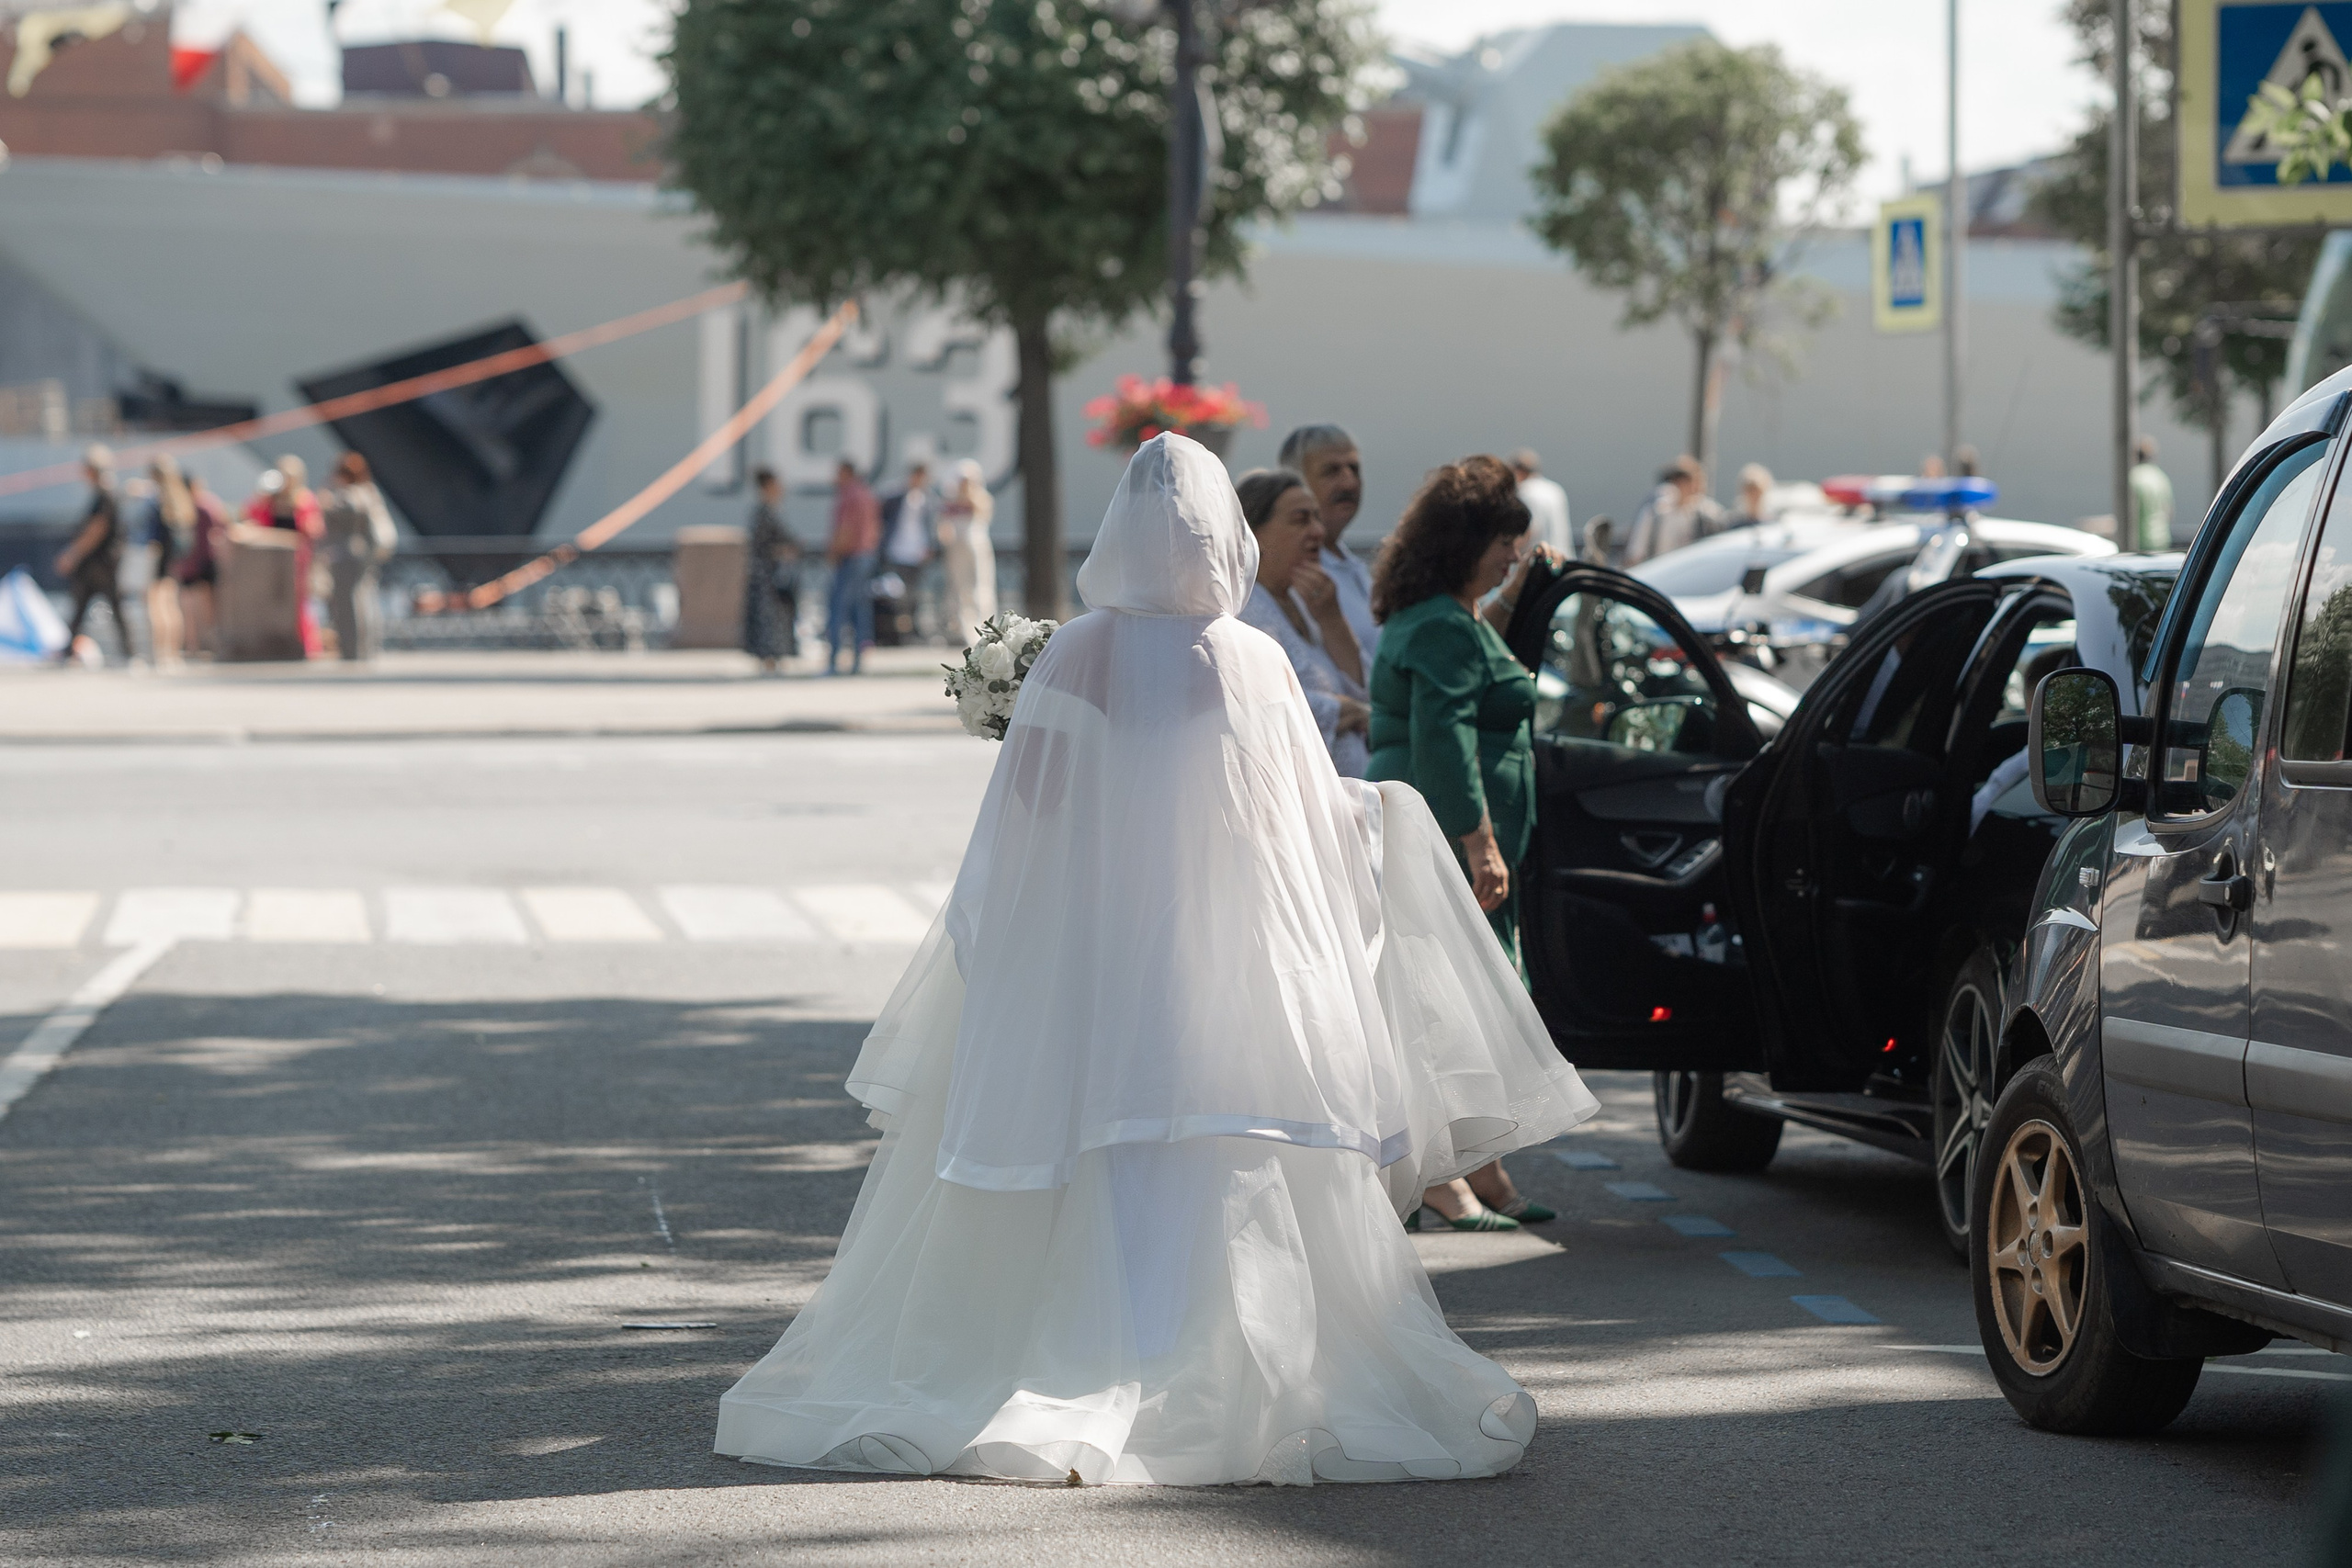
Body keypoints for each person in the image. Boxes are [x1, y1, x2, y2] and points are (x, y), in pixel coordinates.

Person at [714, 432, 1597, 1484]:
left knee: (1091, 1127)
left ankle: (1072, 1344)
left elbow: (1020, 827)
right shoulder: (1252, 657)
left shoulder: (1079, 652)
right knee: (1217, 1135)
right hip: (1225, 955)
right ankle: (1222, 1358)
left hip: (1094, 954)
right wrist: (1381, 818)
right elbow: (1304, 827)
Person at [1367, 455, 1561, 1234]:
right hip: (1440, 840)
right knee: (1446, 1012)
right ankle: (1444, 1177)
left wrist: (1514, 596)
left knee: (1440, 1008)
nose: (1513, 555)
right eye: (1503, 544)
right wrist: (1478, 841)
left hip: (1426, 831)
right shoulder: (1445, 625)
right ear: (1464, 542)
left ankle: (1471, 1171)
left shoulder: (1446, 616)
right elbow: (1444, 737)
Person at [1236, 468, 1369, 777]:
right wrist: (1346, 712)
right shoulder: (1242, 609)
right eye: (1300, 520)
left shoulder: (1306, 600)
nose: (1318, 532)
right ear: (1254, 534)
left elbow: (1365, 693)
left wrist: (1333, 622)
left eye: (1317, 519)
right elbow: (1256, 701)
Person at [1278, 424, 1379, 663]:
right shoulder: (1296, 572)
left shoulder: (1352, 564)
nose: (1349, 483)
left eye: (1354, 469)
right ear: (1296, 484)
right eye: (1332, 471)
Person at [320, 453, 397, 662]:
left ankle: (352, 648)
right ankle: (368, 646)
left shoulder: (347, 496)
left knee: (348, 602)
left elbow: (333, 516)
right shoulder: (370, 492)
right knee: (364, 598)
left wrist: (328, 499)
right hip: (365, 553)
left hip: (346, 554)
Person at [246, 455, 324, 657]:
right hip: (272, 559)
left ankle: (307, 646)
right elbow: (253, 518)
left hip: (297, 559)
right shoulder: (270, 499)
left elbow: (313, 529)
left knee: (299, 604)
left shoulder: (304, 499)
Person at [55, 445, 126, 665]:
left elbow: (98, 528)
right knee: (82, 605)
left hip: (100, 562)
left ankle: (129, 651)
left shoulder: (105, 494)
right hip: (98, 562)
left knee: (110, 604)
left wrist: (73, 554)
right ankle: (69, 651)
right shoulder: (103, 493)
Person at [741, 466, 800, 672]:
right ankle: (768, 657)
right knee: (768, 617)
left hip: (772, 573)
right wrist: (783, 551)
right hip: (766, 575)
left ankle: (774, 656)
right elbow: (764, 544)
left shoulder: (771, 510)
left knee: (777, 616)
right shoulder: (763, 512)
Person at [824, 459, 880, 674]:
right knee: (860, 609)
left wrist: (833, 552)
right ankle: (858, 660)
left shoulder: (848, 495)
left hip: (850, 556)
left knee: (839, 608)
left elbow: (845, 529)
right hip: (866, 555)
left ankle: (834, 661)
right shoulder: (866, 494)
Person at [141, 455, 196, 669]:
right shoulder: (181, 499)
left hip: (160, 558)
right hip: (176, 559)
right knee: (172, 606)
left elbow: (152, 537)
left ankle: (161, 652)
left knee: (157, 606)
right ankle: (174, 652)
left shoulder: (158, 501)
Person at [934, 457, 996, 647]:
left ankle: (986, 628)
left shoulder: (980, 498)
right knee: (961, 590)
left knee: (981, 587)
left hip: (976, 547)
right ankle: (965, 630)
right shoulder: (949, 502)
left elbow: (982, 514)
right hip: (957, 549)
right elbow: (943, 527)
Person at [1623, 455, 1726, 566]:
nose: (1697, 488)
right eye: (1692, 481)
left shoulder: (1699, 515)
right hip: (1655, 570)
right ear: (1679, 483)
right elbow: (1637, 549)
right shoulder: (1657, 511)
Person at [875, 461, 934, 646]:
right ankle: (894, 631)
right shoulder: (895, 497)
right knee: (896, 595)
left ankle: (910, 631)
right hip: (896, 552)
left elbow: (931, 527)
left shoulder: (928, 500)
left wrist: (930, 547)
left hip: (916, 555)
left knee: (913, 596)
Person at [174, 472, 229, 660]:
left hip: (199, 562)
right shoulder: (202, 505)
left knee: (200, 608)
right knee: (197, 608)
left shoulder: (201, 506)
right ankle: (198, 645)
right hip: (196, 562)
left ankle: (200, 645)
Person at [1510, 447, 1574, 558]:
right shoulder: (1555, 489)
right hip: (1564, 558)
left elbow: (1530, 530)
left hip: (1542, 562)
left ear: (1519, 471)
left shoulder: (1526, 492)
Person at [2130, 434, 2174, 552]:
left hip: (2141, 541)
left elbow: (2131, 512)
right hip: (2162, 539)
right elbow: (2169, 511)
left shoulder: (2134, 477)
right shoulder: (2161, 477)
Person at [1729, 463, 1774, 530]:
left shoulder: (1772, 525)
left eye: (1757, 492)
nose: (1754, 497)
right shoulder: (1734, 525)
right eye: (1750, 491)